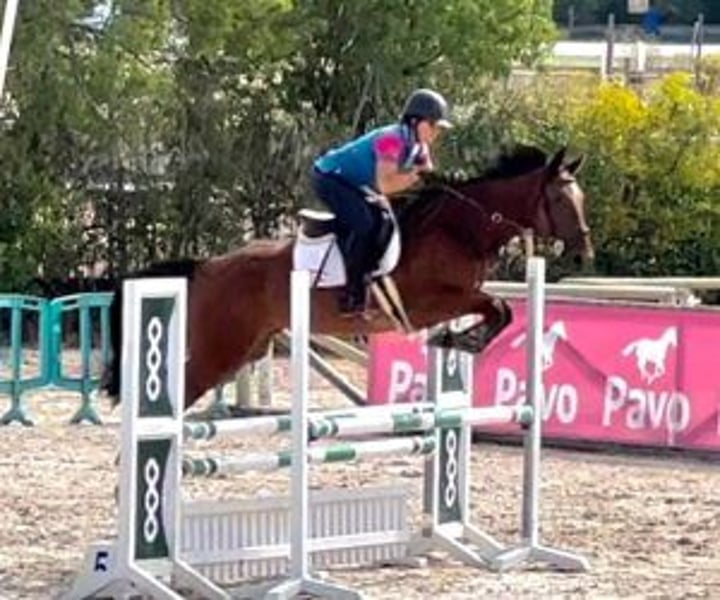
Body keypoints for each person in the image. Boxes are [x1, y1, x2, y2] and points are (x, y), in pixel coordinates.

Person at [311, 88, 452, 315]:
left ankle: (370, 279)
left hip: (353, 183)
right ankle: (351, 294)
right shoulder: (390, 139)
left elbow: (429, 181)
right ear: (416, 122)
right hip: (329, 178)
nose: (437, 133)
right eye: (434, 126)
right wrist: (417, 175)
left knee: (383, 222)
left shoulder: (420, 146)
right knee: (364, 224)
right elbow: (386, 185)